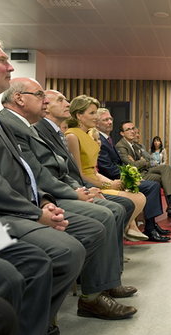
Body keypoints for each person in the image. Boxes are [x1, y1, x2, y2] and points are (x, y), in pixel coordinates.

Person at [0, 32, 135, 323]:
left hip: (7, 206)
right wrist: (35, 211)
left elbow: (23, 171)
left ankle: (45, 319)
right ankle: (54, 315)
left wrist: (43, 201)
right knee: (58, 252)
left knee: (48, 256)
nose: (11, 66)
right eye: (2, 60)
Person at [0, 78, 138, 296]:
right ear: (19, 98)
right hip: (28, 203)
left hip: (47, 195)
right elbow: (37, 173)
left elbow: (61, 170)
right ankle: (97, 289)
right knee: (104, 215)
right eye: (40, 95)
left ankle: (106, 279)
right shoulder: (13, 124)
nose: (45, 101)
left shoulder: (29, 126)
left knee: (119, 207)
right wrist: (61, 197)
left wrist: (74, 190)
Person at [0, 176, 53, 335]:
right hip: (3, 212)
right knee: (5, 276)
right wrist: (36, 213)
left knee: (36, 261)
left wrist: (44, 203)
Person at [65, 95, 148, 241]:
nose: (96, 117)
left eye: (96, 113)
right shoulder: (72, 136)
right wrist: (107, 184)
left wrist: (112, 183)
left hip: (95, 179)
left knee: (139, 196)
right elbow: (78, 174)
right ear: (79, 115)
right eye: (92, 113)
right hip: (87, 185)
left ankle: (122, 233)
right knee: (136, 199)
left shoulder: (88, 134)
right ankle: (122, 233)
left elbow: (93, 170)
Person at [96, 108, 171, 241]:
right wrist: (127, 176)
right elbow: (107, 168)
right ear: (96, 123)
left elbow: (147, 160)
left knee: (159, 178)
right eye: (105, 120)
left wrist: (137, 165)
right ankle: (150, 227)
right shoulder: (99, 140)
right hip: (111, 180)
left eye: (110, 119)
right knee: (152, 186)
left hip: (122, 174)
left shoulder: (108, 139)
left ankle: (152, 224)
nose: (109, 122)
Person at [116, 121, 171, 226]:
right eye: (128, 129)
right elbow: (131, 165)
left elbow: (149, 160)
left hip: (144, 171)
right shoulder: (121, 146)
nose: (132, 131)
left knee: (166, 168)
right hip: (137, 176)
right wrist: (142, 161)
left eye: (133, 128)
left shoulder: (136, 145)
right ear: (122, 133)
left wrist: (142, 162)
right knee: (170, 178)